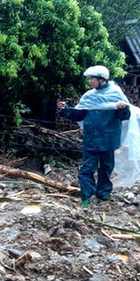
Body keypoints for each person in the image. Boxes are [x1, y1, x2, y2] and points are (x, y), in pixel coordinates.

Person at [57, 65, 130, 209]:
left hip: (108, 139)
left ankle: (103, 193)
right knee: (87, 169)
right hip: (90, 139)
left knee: (106, 168)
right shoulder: (89, 96)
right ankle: (86, 197)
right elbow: (79, 114)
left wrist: (123, 108)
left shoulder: (116, 94)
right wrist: (65, 110)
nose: (90, 81)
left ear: (101, 80)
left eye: (92, 78)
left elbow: (125, 116)